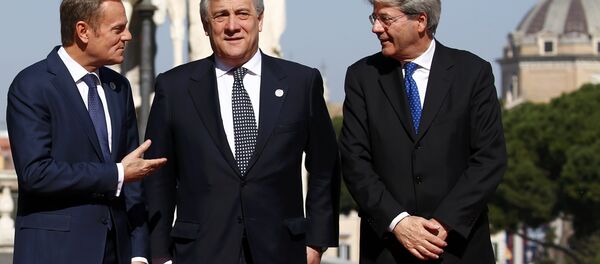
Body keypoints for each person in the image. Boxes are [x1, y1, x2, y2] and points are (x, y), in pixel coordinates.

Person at [142, 0, 339, 263]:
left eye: (242, 14)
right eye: (221, 16)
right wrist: (158, 253)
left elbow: (325, 167)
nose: (232, 26)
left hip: (282, 251)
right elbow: (157, 177)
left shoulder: (301, 83)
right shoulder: (174, 88)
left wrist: (316, 241)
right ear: (205, 25)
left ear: (259, 20)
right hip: (199, 252)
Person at [339, 0, 507, 263]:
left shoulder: (472, 73)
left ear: (420, 21)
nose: (376, 29)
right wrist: (399, 223)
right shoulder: (363, 77)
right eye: (374, 18)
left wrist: (443, 223)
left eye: (385, 19)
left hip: (458, 248)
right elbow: (354, 160)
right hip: (388, 249)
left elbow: (489, 159)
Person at [6, 0, 167, 263]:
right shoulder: (32, 86)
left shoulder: (119, 87)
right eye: (118, 29)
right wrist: (116, 173)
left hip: (117, 253)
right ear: (83, 31)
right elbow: (35, 173)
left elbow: (132, 179)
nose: (128, 36)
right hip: (54, 252)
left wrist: (138, 252)